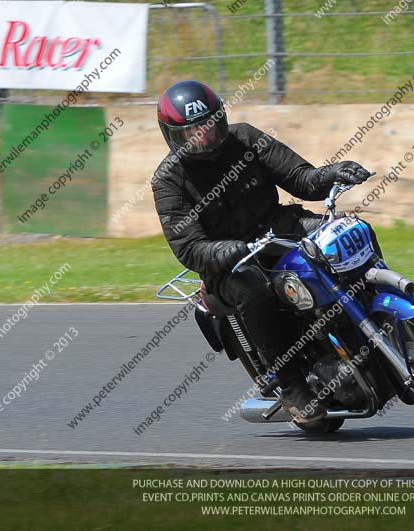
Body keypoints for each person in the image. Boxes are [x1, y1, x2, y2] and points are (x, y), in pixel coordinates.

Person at [152, 80, 371, 423]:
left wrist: (333, 173)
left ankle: (379, 313)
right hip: (228, 263)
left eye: (209, 126)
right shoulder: (168, 179)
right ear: (173, 136)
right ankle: (292, 386)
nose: (204, 137)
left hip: (278, 226)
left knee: (348, 231)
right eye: (192, 132)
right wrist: (226, 250)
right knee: (254, 287)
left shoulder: (246, 138)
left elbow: (301, 178)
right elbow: (188, 246)